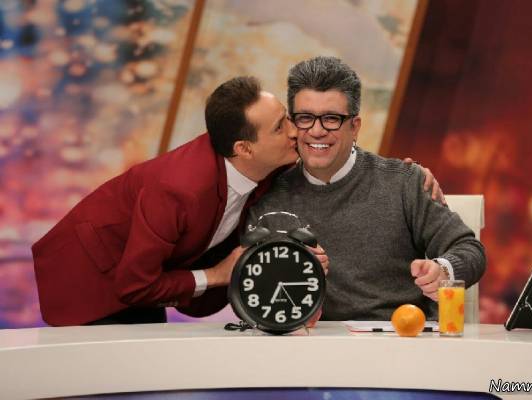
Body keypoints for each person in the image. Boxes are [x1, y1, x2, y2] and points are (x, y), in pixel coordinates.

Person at [31, 76, 324, 326]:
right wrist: (216, 275)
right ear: (244, 149)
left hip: (147, 281)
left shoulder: (267, 163)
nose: (294, 131)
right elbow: (135, 286)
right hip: (88, 282)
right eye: (279, 127)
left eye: (287, 117)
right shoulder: (177, 190)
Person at [247, 56, 486, 320]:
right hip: (310, 339)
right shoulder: (268, 196)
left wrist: (443, 270)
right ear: (293, 124)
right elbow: (250, 290)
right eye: (305, 118)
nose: (316, 131)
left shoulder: (404, 182)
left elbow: (469, 249)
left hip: (401, 336)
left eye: (331, 119)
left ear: (355, 127)